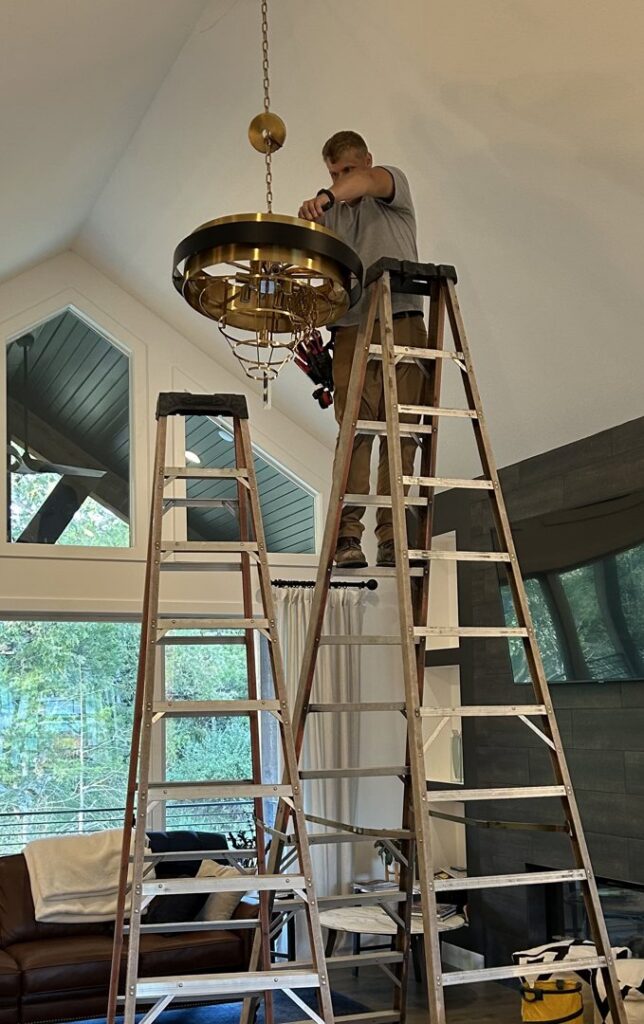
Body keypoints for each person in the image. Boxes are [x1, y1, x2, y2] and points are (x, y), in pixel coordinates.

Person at [299, 130, 427, 568]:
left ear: (366, 161)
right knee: (353, 433)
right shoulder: (332, 217)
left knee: (402, 429)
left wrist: (325, 196)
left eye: (345, 171)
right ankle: (348, 537)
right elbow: (324, 281)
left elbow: (367, 183)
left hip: (402, 320)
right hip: (352, 329)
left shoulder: (390, 186)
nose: (340, 180)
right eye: (333, 174)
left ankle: (393, 535)